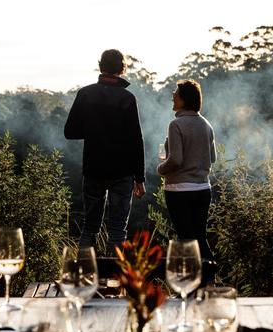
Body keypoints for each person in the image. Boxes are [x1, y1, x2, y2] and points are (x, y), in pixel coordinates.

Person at [64, 49, 145, 255]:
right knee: (118, 230)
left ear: (100, 66)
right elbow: (135, 140)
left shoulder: (85, 94)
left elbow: (70, 132)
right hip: (122, 172)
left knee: (89, 228)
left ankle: (83, 278)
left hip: (94, 169)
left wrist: (94, 130)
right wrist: (140, 178)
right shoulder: (127, 98)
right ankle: (116, 281)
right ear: (122, 68)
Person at [157, 79, 216, 260]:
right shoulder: (206, 124)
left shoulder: (176, 125)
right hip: (203, 190)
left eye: (176, 93)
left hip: (179, 191)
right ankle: (209, 280)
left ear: (185, 99)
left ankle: (191, 284)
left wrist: (160, 168)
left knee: (186, 240)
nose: (173, 96)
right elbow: (212, 158)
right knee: (199, 237)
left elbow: (176, 159)